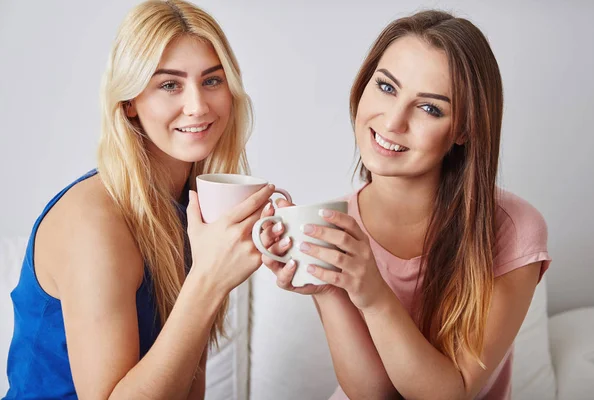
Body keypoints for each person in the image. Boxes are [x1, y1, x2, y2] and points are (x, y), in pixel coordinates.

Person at [261, 10, 550, 400]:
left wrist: (373, 294)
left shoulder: (514, 229)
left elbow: (452, 392)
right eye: (386, 87)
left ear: (464, 129)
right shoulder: (335, 224)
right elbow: (372, 394)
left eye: (430, 108)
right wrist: (326, 288)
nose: (394, 121)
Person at [4, 0, 274, 398]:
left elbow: (186, 387)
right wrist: (209, 281)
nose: (198, 105)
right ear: (129, 102)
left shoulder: (189, 208)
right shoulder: (94, 222)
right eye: (170, 84)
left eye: (212, 81)